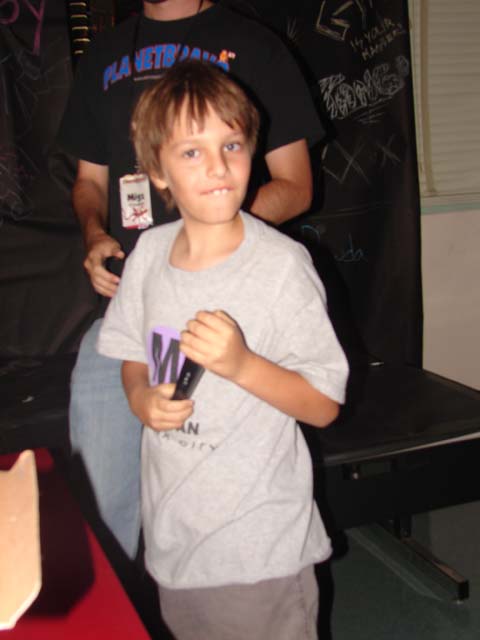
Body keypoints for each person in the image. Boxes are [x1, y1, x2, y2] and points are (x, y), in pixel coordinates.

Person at [57, 0, 324, 559]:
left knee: (224, 500)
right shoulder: (103, 54)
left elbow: (296, 185)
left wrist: (207, 235)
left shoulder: (257, 47)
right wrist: (94, 235)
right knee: (100, 510)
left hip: (230, 308)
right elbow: (89, 182)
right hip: (131, 309)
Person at [97, 59, 348, 640]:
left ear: (252, 153)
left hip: (257, 548)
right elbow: (134, 353)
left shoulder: (282, 267)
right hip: (175, 538)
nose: (217, 166)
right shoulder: (148, 257)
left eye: (231, 145)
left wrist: (242, 365)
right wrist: (139, 398)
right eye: (192, 152)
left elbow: (323, 405)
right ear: (157, 172)